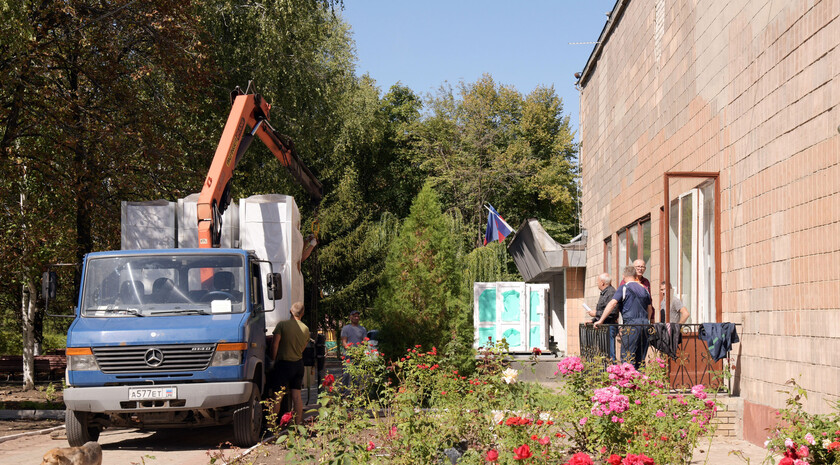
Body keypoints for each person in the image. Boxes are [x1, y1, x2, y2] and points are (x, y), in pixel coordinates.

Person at [594, 265, 654, 369]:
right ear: (635, 276)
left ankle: (628, 383)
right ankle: (641, 382)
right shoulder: (644, 289)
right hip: (644, 326)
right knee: (641, 359)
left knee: (627, 357)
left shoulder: (624, 287)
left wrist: (601, 320)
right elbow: (650, 309)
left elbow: (612, 304)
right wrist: (646, 321)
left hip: (631, 326)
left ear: (623, 276)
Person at [269, 301, 310, 425]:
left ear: (290, 311)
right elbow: (303, 348)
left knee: (278, 396)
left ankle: (271, 426)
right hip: (298, 365)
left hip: (284, 365)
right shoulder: (305, 329)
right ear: (302, 313)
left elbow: (275, 344)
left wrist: (272, 359)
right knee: (296, 396)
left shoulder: (282, 325)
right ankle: (297, 424)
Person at [587, 273, 618, 360]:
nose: (597, 283)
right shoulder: (605, 293)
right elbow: (603, 309)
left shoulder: (611, 293)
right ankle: (606, 369)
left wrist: (596, 314)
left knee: (610, 352)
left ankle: (613, 370)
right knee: (604, 351)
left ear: (602, 282)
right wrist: (593, 320)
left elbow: (612, 312)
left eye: (598, 281)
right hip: (603, 326)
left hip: (609, 326)